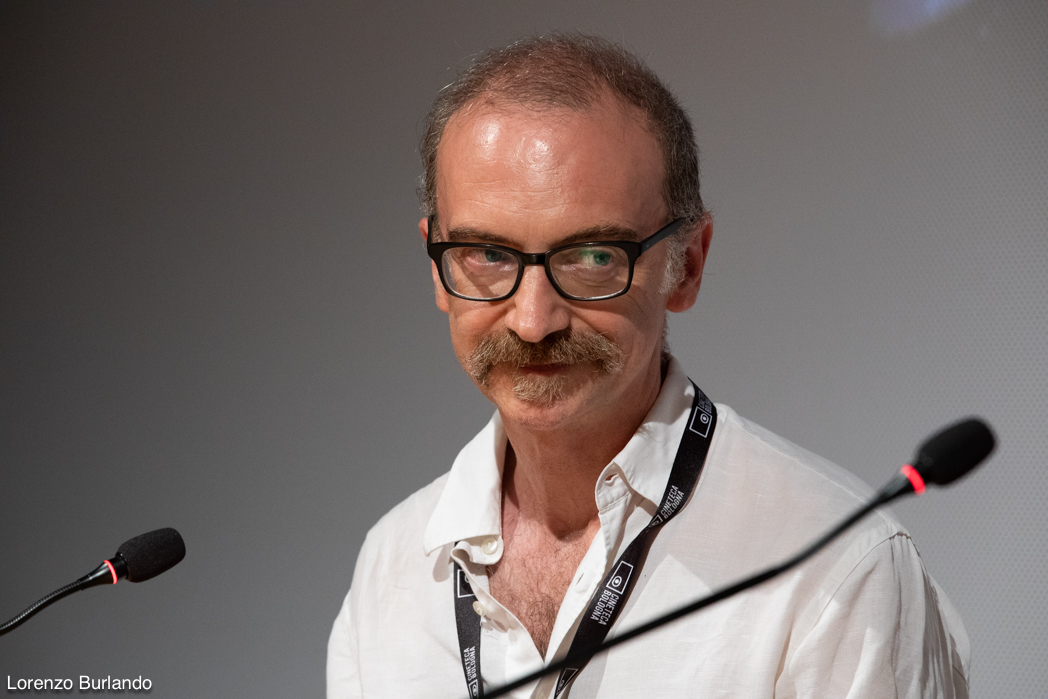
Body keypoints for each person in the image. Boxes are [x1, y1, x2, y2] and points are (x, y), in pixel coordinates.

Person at [327, 34, 969, 698]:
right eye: (488, 255)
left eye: (593, 257)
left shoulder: (834, 570)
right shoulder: (391, 568)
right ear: (437, 265)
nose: (533, 321)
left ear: (686, 264)